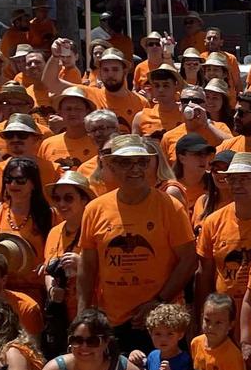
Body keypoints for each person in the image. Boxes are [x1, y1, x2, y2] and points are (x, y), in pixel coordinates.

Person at [75, 134, 197, 351]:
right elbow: (88, 265)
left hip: (161, 323)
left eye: (142, 162)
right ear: (110, 166)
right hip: (113, 320)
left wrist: (158, 301)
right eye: (125, 163)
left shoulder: (170, 207)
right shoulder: (95, 209)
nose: (135, 169)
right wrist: (83, 314)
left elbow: (188, 260)